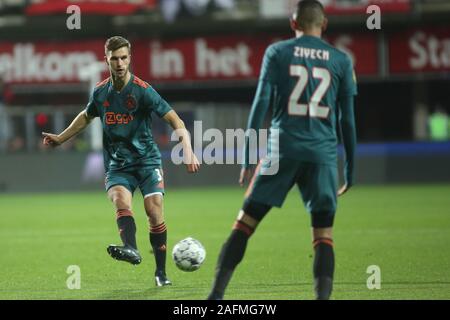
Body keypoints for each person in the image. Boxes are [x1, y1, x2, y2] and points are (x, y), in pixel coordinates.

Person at [207, 0, 357, 300]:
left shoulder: (277, 53)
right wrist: (350, 169)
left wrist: (249, 155)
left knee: (244, 224)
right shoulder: (341, 60)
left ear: (293, 24)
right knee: (323, 236)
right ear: (324, 24)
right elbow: (347, 120)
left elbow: (260, 103)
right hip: (322, 157)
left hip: (281, 151)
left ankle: (216, 297)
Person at [42, 36, 200, 287]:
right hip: (118, 164)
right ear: (106, 59)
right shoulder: (101, 92)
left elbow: (175, 120)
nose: (119, 63)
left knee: (154, 211)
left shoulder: (143, 90)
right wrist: (61, 138)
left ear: (130, 58)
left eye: (124, 57)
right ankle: (131, 248)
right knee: (120, 199)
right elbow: (86, 116)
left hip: (147, 161)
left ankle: (160, 273)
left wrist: (188, 149)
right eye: (114, 58)